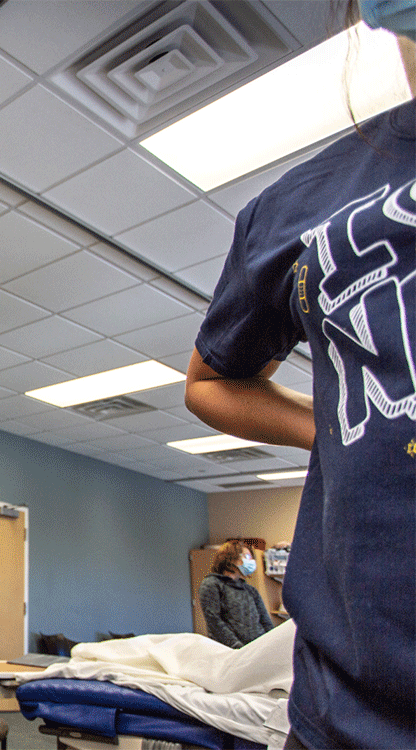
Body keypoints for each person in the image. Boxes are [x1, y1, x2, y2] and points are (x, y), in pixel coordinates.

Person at [184, 2, 415, 746]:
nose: (251, 559)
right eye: (248, 555)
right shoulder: (296, 210)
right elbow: (211, 380)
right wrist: (339, 429)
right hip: (346, 712)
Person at [197, 541, 274, 648]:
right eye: (247, 556)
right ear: (231, 558)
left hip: (257, 649)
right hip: (230, 651)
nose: (251, 561)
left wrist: (272, 643)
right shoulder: (212, 584)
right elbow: (214, 622)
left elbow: (265, 621)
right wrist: (237, 646)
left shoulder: (250, 590)